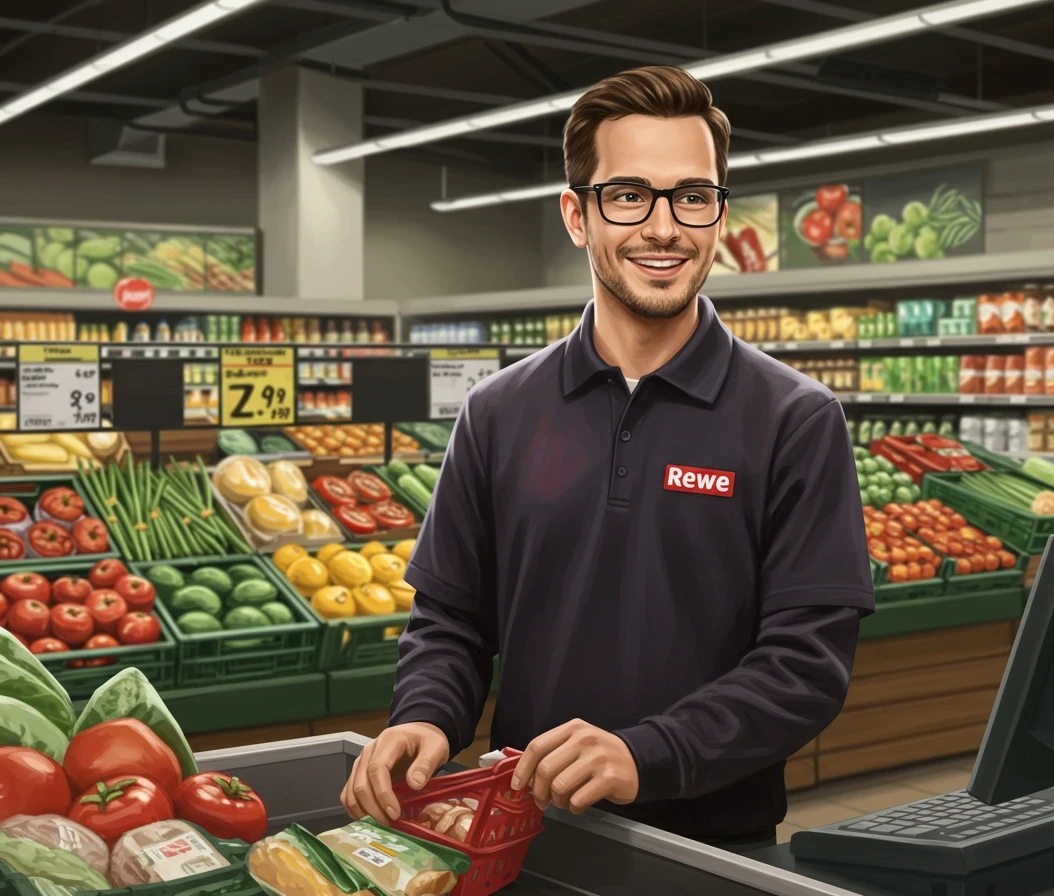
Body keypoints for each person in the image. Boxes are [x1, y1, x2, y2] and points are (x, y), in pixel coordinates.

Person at [340, 64, 873, 854]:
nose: (664, 227)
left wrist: (646, 753)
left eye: (692, 195)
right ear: (577, 215)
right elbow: (451, 617)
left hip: (718, 853)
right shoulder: (499, 411)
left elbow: (806, 664)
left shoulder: (794, 419)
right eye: (628, 195)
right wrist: (426, 715)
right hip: (526, 834)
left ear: (718, 214)